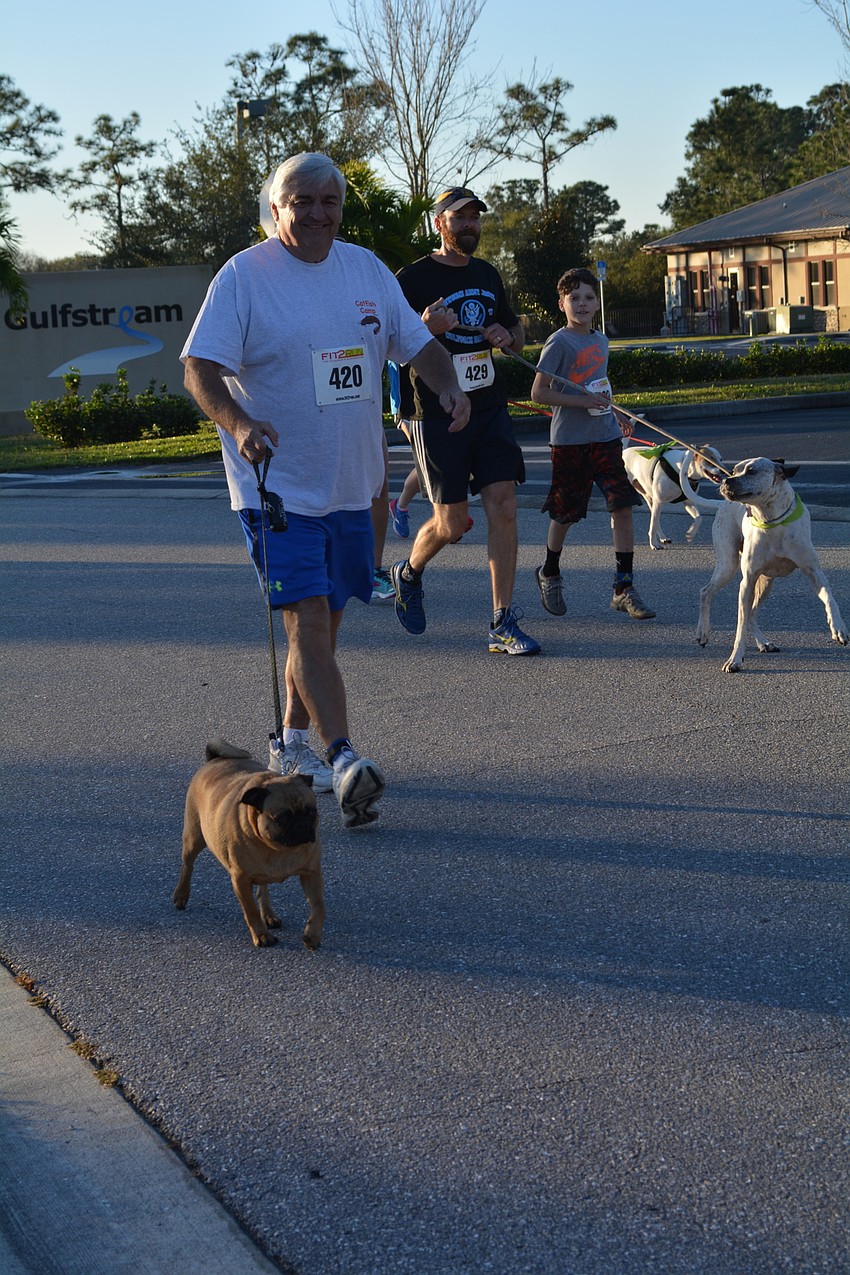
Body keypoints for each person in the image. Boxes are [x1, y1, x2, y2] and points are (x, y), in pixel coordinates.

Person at [181, 153, 470, 828]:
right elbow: (199, 368)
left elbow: (413, 344)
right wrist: (241, 421)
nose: (316, 213)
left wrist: (448, 382)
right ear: (275, 207)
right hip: (275, 489)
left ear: (342, 208)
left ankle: (292, 743)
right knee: (309, 621)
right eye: (300, 201)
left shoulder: (365, 269)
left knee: (325, 627)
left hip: (352, 485)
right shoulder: (245, 277)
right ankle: (344, 759)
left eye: (328, 201)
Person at [390, 187, 539, 656]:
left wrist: (506, 335)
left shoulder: (488, 274)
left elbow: (516, 334)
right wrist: (424, 328)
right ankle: (409, 571)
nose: (470, 225)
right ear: (440, 223)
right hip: (434, 411)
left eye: (475, 218)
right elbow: (389, 343)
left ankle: (501, 620)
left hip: (489, 405)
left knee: (504, 504)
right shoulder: (411, 277)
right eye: (460, 218)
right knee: (452, 524)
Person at [532, 267, 656, 621]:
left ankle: (624, 586)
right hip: (570, 442)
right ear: (562, 304)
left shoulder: (600, 341)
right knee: (565, 513)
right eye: (574, 298)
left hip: (605, 437)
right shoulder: (558, 342)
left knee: (622, 504)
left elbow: (599, 383)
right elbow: (539, 392)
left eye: (588, 297)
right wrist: (581, 401)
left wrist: (616, 413)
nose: (582, 304)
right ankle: (549, 571)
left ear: (597, 302)